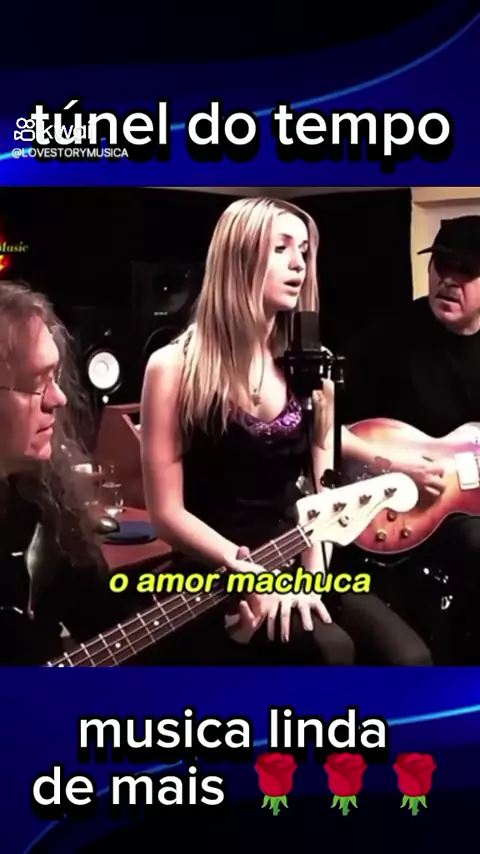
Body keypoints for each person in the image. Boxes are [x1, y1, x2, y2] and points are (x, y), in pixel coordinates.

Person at [140, 196, 432, 665]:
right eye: (281, 249)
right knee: (330, 652)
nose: (299, 263)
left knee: (410, 660)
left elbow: (323, 493)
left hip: (302, 554)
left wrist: (310, 580)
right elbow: (166, 513)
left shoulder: (311, 366)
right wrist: (254, 574)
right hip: (220, 565)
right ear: (239, 259)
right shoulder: (172, 367)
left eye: (304, 251)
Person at [0, 279, 258, 666]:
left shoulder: (41, 505)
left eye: (54, 377)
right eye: (36, 383)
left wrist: (224, 630)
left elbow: (110, 629)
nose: (59, 398)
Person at [340, 215, 480, 663]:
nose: (449, 281)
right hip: (399, 509)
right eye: (441, 265)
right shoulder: (389, 338)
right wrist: (395, 465)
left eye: (466, 270)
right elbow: (327, 428)